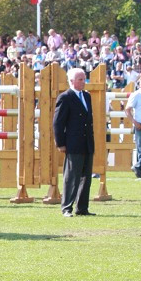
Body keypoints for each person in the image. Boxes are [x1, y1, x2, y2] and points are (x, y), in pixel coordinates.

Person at [52, 67, 95, 217]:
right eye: (80, 79)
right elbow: (58, 123)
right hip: (73, 143)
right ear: (71, 81)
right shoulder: (65, 97)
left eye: (84, 79)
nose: (84, 82)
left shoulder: (87, 96)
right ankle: (66, 207)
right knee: (71, 177)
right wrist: (60, 143)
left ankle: (82, 208)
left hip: (87, 142)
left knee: (86, 177)